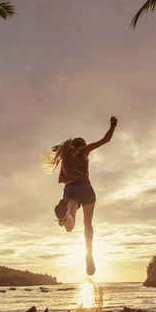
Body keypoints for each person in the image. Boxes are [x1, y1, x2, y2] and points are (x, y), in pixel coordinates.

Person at [43, 116, 118, 275]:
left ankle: (64, 217)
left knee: (70, 225)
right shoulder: (83, 150)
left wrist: (62, 147)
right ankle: (89, 253)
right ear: (83, 145)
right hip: (86, 189)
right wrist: (113, 124)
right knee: (88, 224)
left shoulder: (65, 153)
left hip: (71, 190)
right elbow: (106, 139)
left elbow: (56, 148)